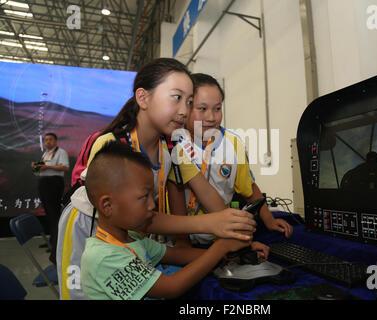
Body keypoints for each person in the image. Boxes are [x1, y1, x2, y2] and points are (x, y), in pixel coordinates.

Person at [56, 58, 256, 300]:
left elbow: (190, 191)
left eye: (189, 101)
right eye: (176, 97)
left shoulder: (171, 146)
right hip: (89, 228)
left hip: (134, 231)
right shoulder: (111, 145)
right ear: (143, 98)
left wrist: (227, 228)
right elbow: (137, 217)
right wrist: (212, 224)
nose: (184, 110)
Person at [81, 141, 256, 299]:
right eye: (143, 197)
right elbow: (170, 287)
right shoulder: (103, 257)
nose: (152, 205)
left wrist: (233, 251)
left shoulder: (133, 239)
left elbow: (178, 254)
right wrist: (220, 247)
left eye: (152, 196)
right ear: (107, 205)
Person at [168, 73, 293, 245]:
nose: (211, 117)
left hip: (221, 236)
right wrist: (182, 242)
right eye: (202, 109)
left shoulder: (233, 144)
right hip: (183, 235)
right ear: (186, 107)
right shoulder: (175, 142)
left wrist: (269, 220)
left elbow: (248, 188)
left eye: (217, 109)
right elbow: (176, 191)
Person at [31, 132, 69, 265]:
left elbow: (65, 167)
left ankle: (56, 244)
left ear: (56, 141)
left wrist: (47, 166)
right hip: (44, 183)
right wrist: (36, 167)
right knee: (48, 214)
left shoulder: (61, 152)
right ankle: (51, 242)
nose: (47, 142)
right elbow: (40, 170)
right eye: (46, 140)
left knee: (54, 214)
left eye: (50, 139)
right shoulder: (45, 154)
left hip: (54, 183)